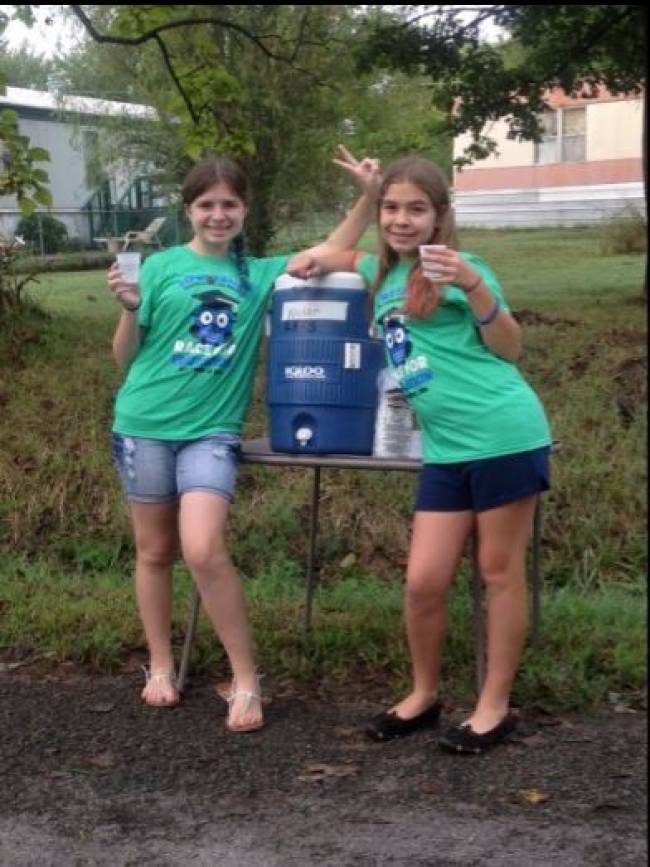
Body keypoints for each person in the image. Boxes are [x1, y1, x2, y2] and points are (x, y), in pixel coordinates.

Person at [108, 147, 381, 733]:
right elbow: (125, 359)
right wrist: (130, 310)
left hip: (211, 433)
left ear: (244, 209)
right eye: (206, 204)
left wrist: (368, 196)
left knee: (203, 548)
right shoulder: (158, 268)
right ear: (188, 210)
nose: (218, 215)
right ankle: (161, 666)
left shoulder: (258, 274)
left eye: (228, 204)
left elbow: (330, 248)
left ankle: (246, 680)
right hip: (142, 424)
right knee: (154, 552)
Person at [301, 157, 552, 754]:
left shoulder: (466, 269)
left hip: (503, 435)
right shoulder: (379, 273)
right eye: (392, 208)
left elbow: (510, 347)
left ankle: (494, 707)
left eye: (416, 209)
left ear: (440, 216)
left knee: (499, 573)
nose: (401, 220)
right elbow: (313, 257)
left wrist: (473, 285)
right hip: (444, 449)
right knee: (422, 583)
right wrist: (365, 196)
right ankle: (423, 694)